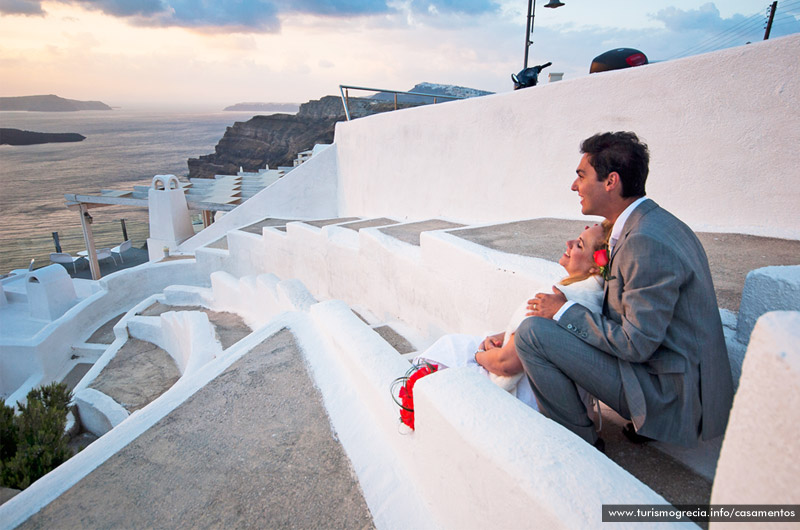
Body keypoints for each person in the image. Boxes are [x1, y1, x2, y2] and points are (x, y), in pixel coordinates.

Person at [514, 131, 734, 449]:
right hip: (674, 379)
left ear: (611, 181)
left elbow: (635, 345)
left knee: (533, 333)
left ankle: (580, 445)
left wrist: (562, 310)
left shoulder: (645, 240)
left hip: (673, 399)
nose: (574, 186)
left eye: (581, 175)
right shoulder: (654, 223)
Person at [414, 222, 611, 415]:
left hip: (528, 398)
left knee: (450, 353)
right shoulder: (583, 298)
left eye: (579, 245)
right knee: (454, 345)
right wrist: (494, 338)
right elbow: (520, 335)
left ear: (595, 267)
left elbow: (505, 364)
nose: (568, 243)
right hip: (537, 388)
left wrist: (478, 355)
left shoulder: (559, 302)